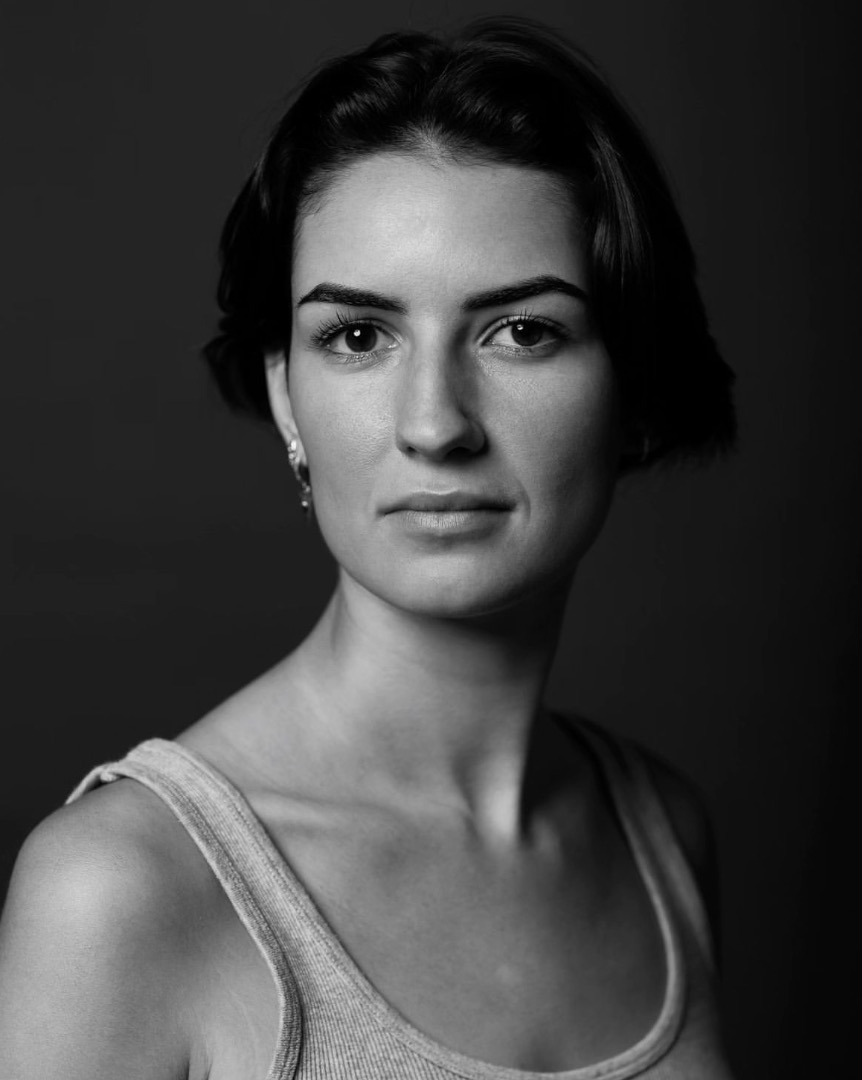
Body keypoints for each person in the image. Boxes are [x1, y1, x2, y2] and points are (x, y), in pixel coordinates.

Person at [0, 17, 736, 1080]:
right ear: (284, 396)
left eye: (522, 331)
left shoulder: (662, 835)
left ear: (635, 386)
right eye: (358, 336)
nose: (435, 424)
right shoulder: (120, 890)